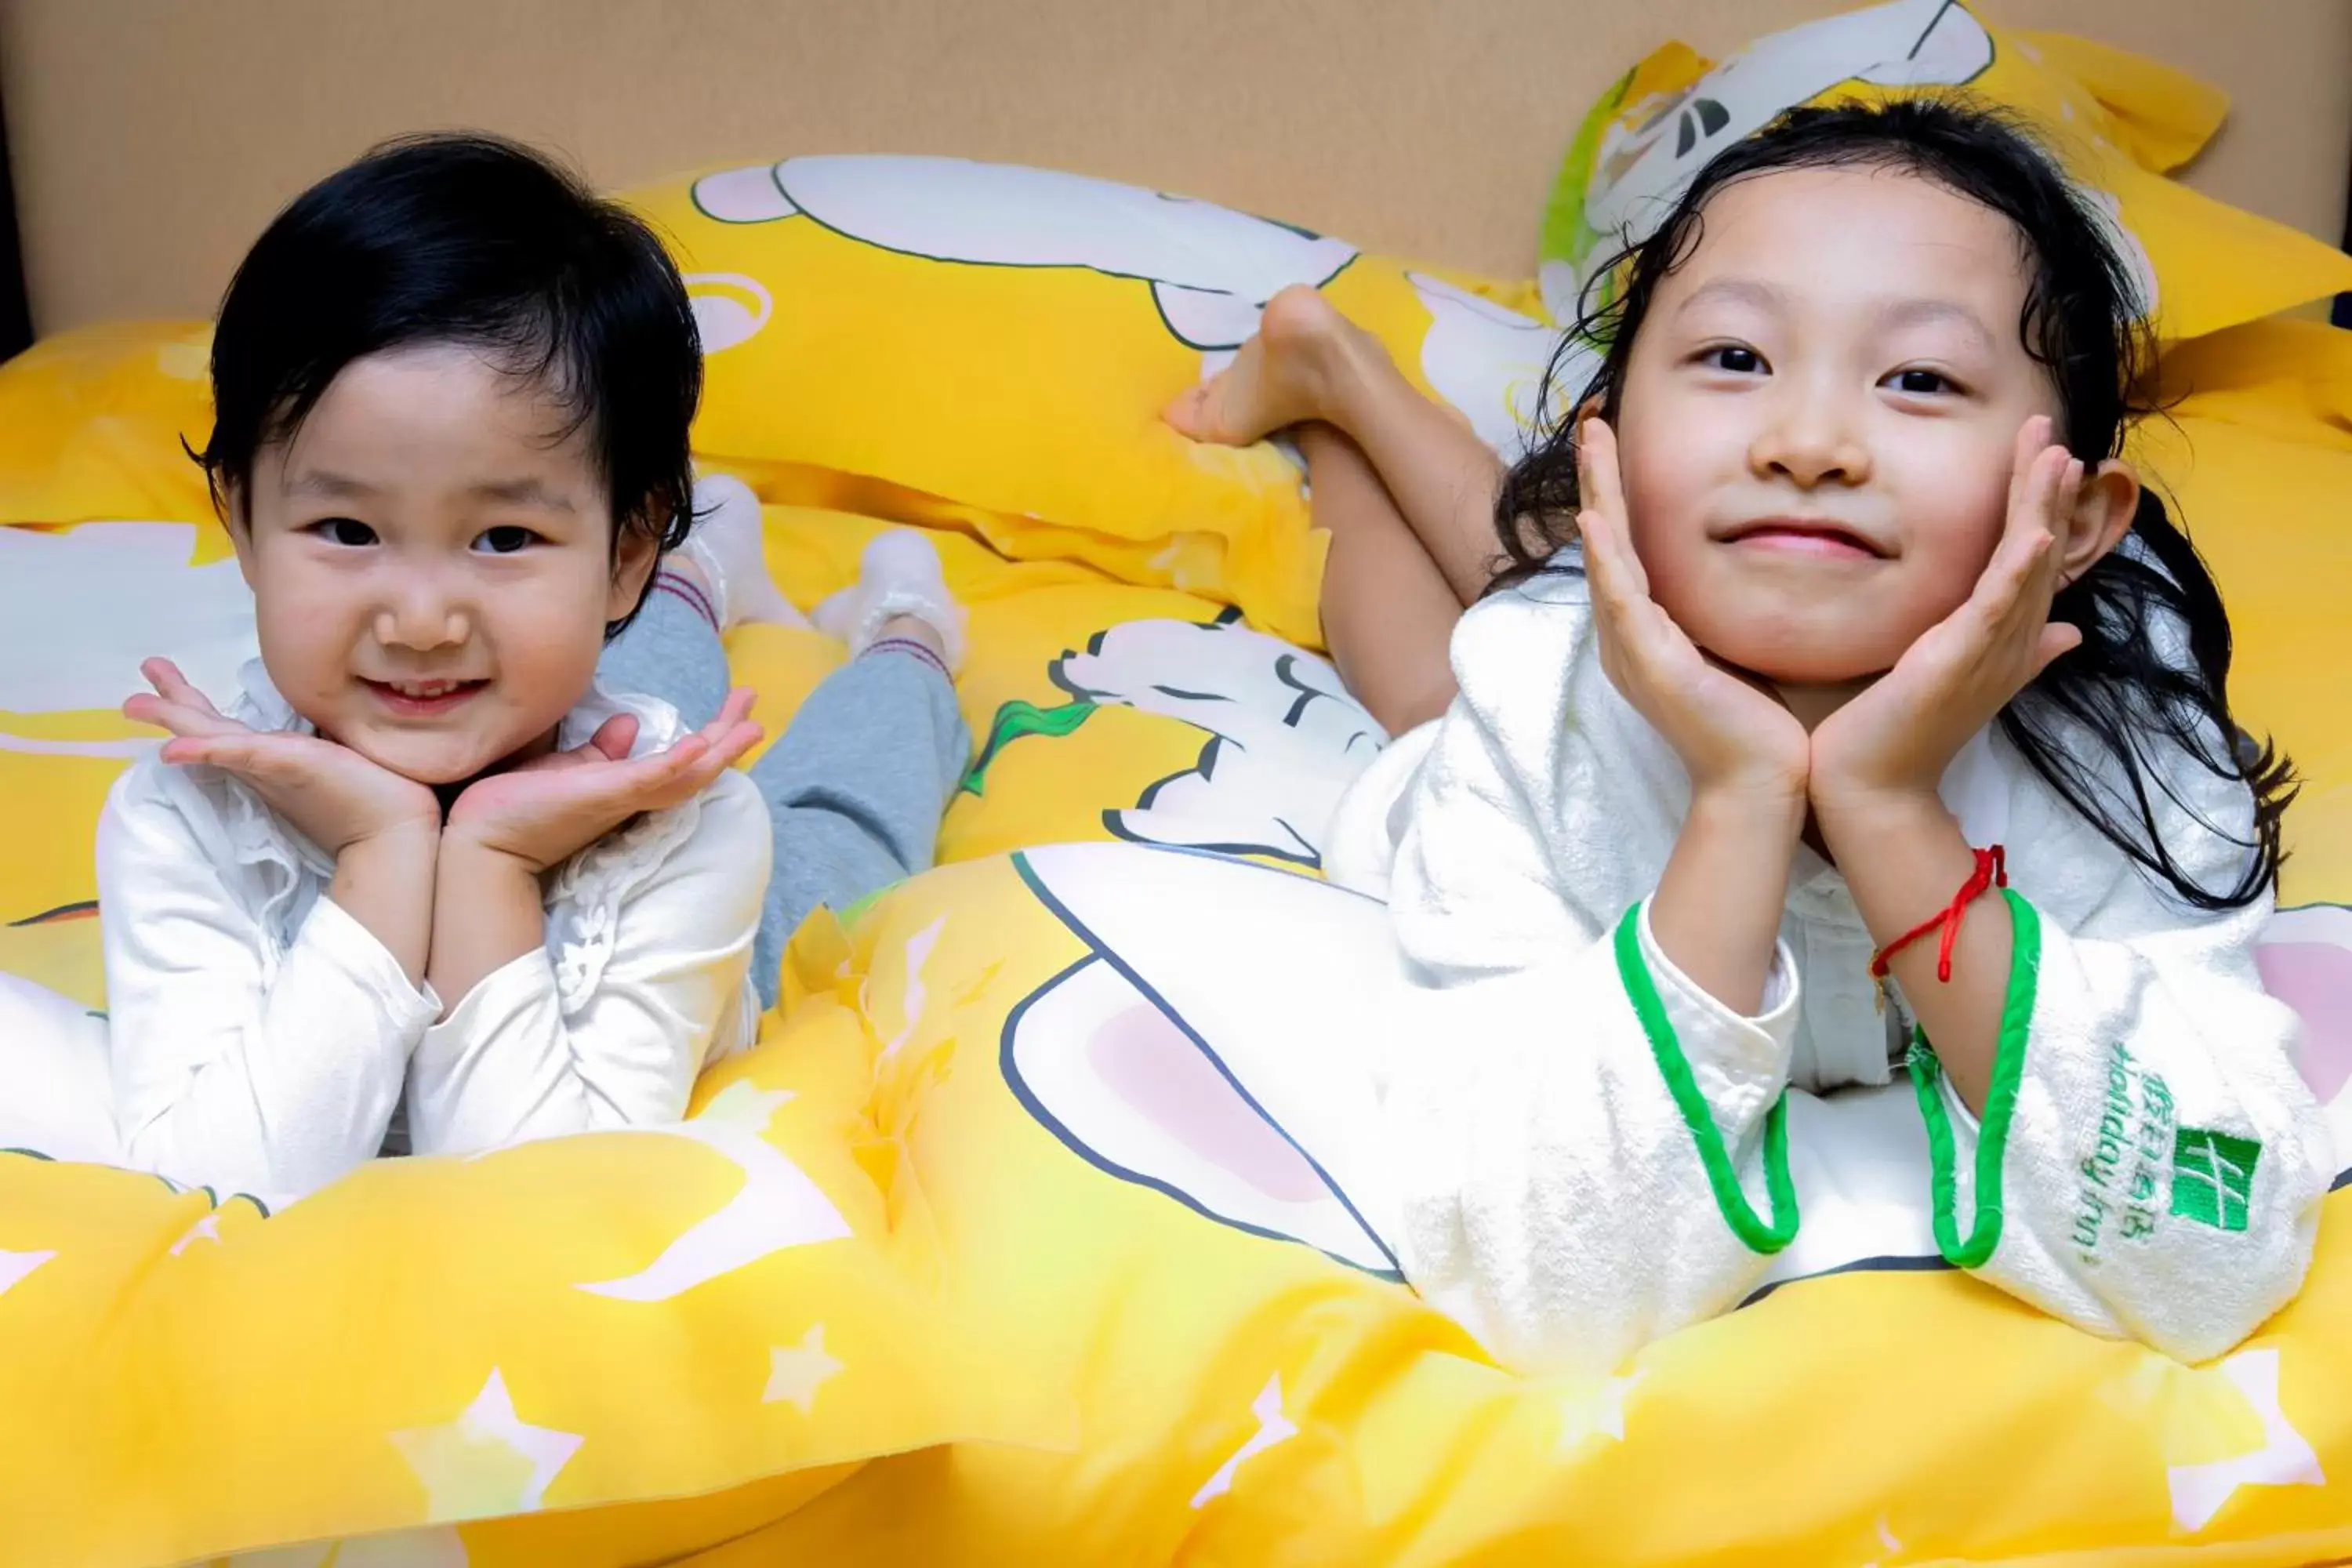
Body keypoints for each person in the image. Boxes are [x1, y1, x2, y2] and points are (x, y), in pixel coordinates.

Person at [1166, 99, 2329, 1374]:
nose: (1808, 444)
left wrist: (1887, 807)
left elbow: (2209, 1238)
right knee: (1452, 674)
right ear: (1604, 439)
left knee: (1535, 575)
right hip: (1574, 654)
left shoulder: (2129, 735)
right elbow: (1540, 1270)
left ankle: (1344, 375)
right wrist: (1736, 799)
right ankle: (1335, 394)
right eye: (1733, 359)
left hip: (1750, 594)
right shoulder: (1531, 708)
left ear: (2077, 521)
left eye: (1921, 380)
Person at [0, 133, 969, 1209]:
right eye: (345, 528)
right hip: (553, 699)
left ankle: (908, 630)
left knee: (841, 819)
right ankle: (702, 570)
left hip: (668, 853)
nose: (420, 621)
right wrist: (388, 851)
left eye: (503, 537)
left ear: (623, 547)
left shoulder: (699, 833)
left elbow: (531, 1197)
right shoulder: (182, 817)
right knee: (560, 657)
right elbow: (225, 1187)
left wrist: (491, 867)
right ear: (240, 516)